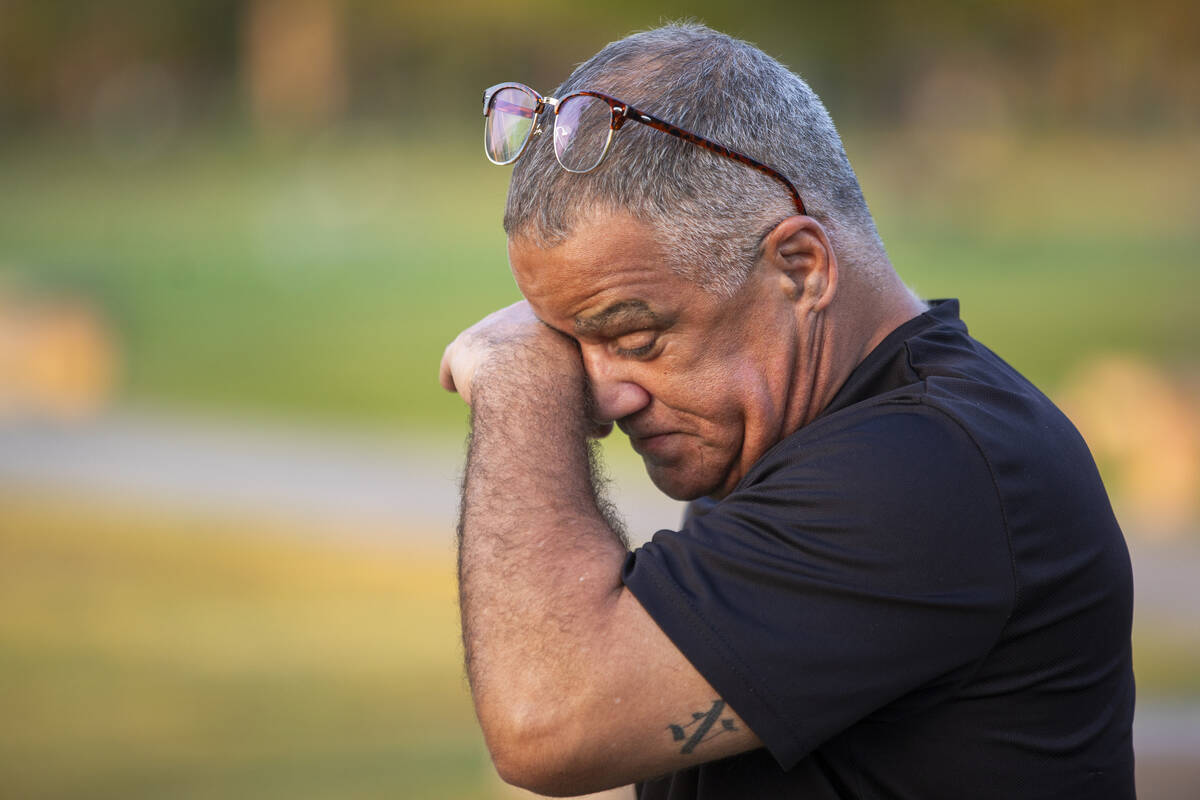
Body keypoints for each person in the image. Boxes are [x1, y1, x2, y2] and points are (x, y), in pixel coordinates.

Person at [439, 23, 1135, 800]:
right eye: (567, 343)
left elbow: (547, 720)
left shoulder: (930, 469)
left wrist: (518, 373)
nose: (603, 393)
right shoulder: (801, 443)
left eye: (635, 334)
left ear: (800, 268)